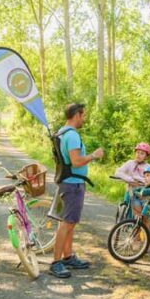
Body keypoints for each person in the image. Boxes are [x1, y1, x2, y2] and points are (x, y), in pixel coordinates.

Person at [49, 103, 104, 279]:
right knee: (66, 224)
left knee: (69, 222)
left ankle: (67, 257)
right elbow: (76, 161)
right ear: (77, 115)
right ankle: (56, 263)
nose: (84, 118)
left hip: (68, 182)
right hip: (72, 184)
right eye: (83, 115)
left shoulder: (61, 132)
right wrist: (94, 155)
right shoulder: (72, 135)